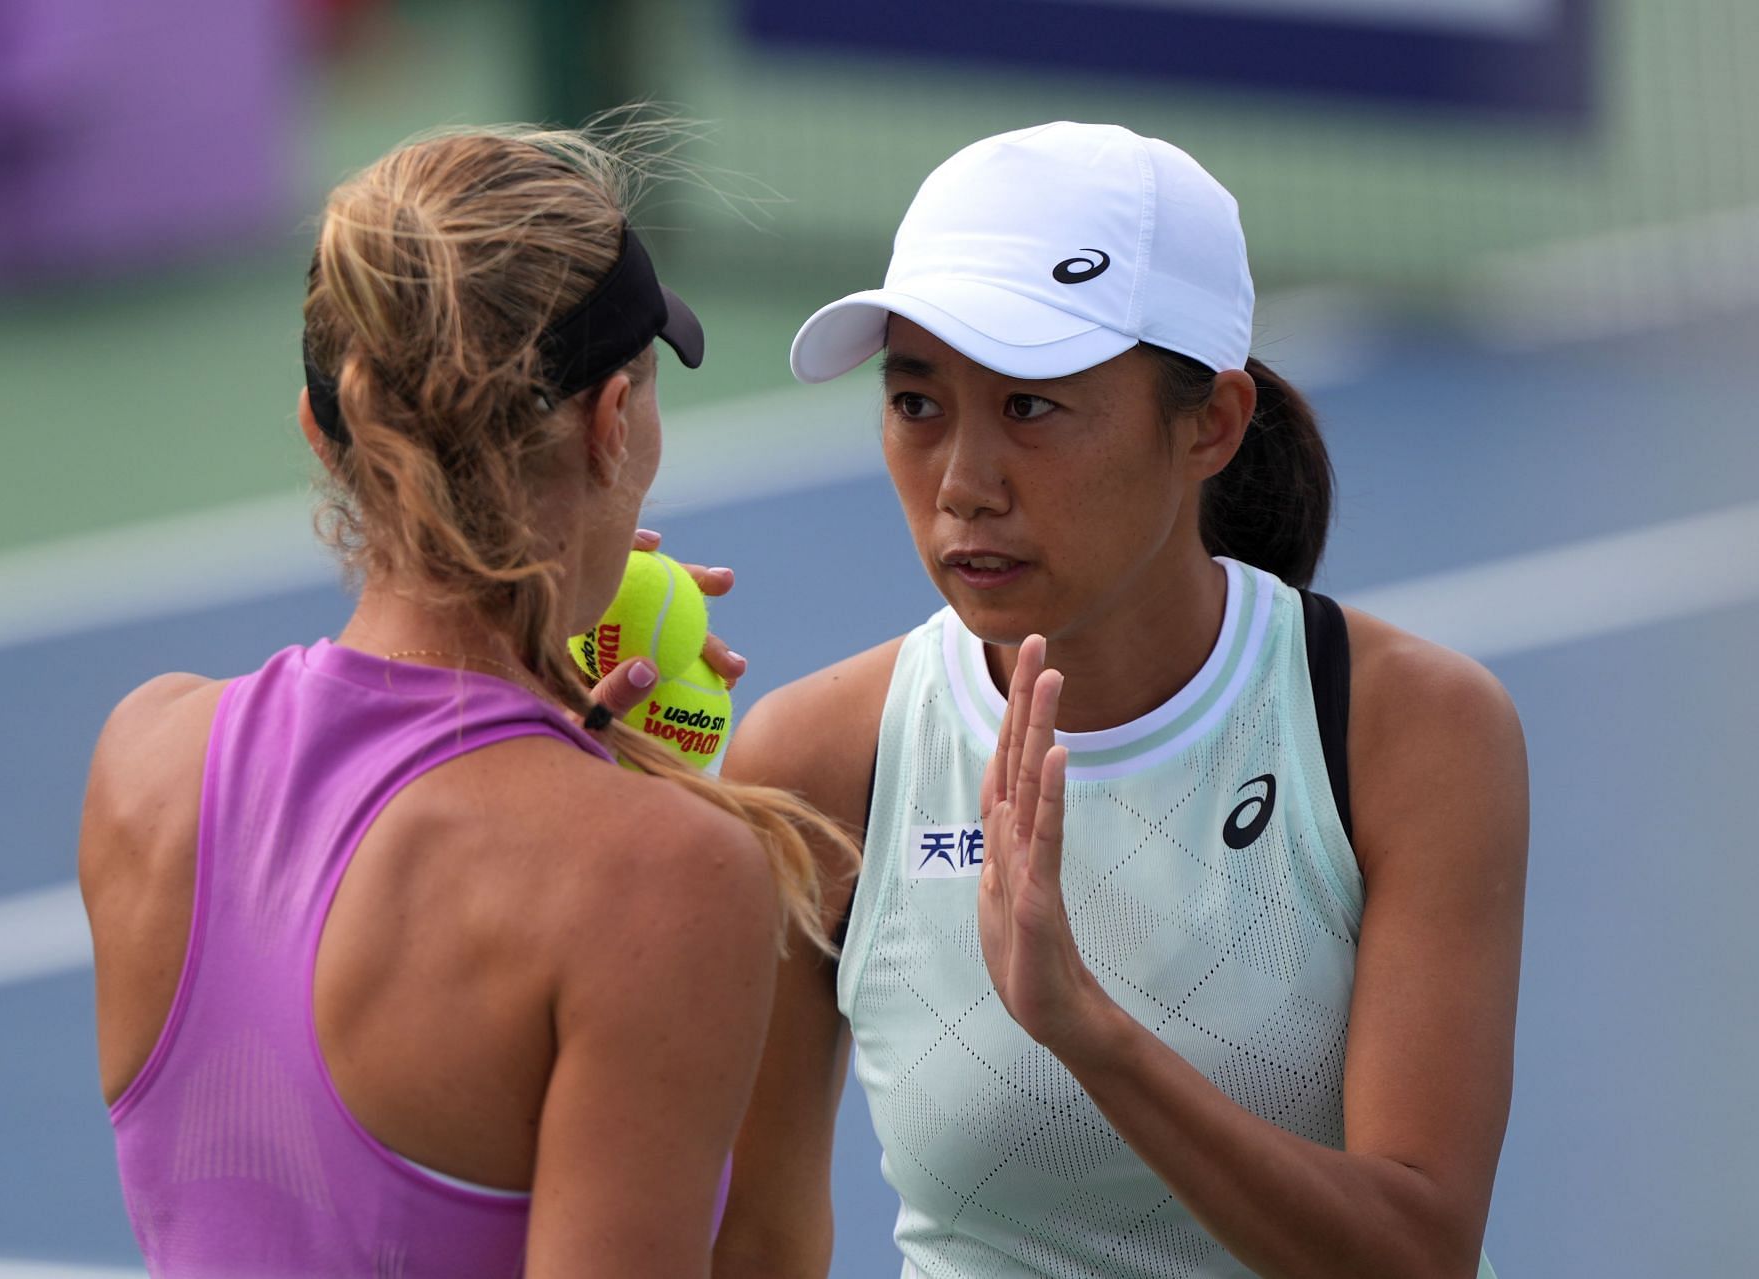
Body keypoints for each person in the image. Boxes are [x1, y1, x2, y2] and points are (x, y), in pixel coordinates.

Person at [713, 122, 1526, 1279]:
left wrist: (1089, 1032)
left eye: (1031, 407)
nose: (962, 485)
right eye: (915, 403)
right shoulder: (818, 760)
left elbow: (1417, 1252)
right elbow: (752, 1244)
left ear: (1210, 424)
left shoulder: (1409, 731)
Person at [78, 124, 849, 1278]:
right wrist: (648, 817)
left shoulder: (143, 757)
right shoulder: (662, 877)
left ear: (328, 439)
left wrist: (577, 765)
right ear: (610, 425)